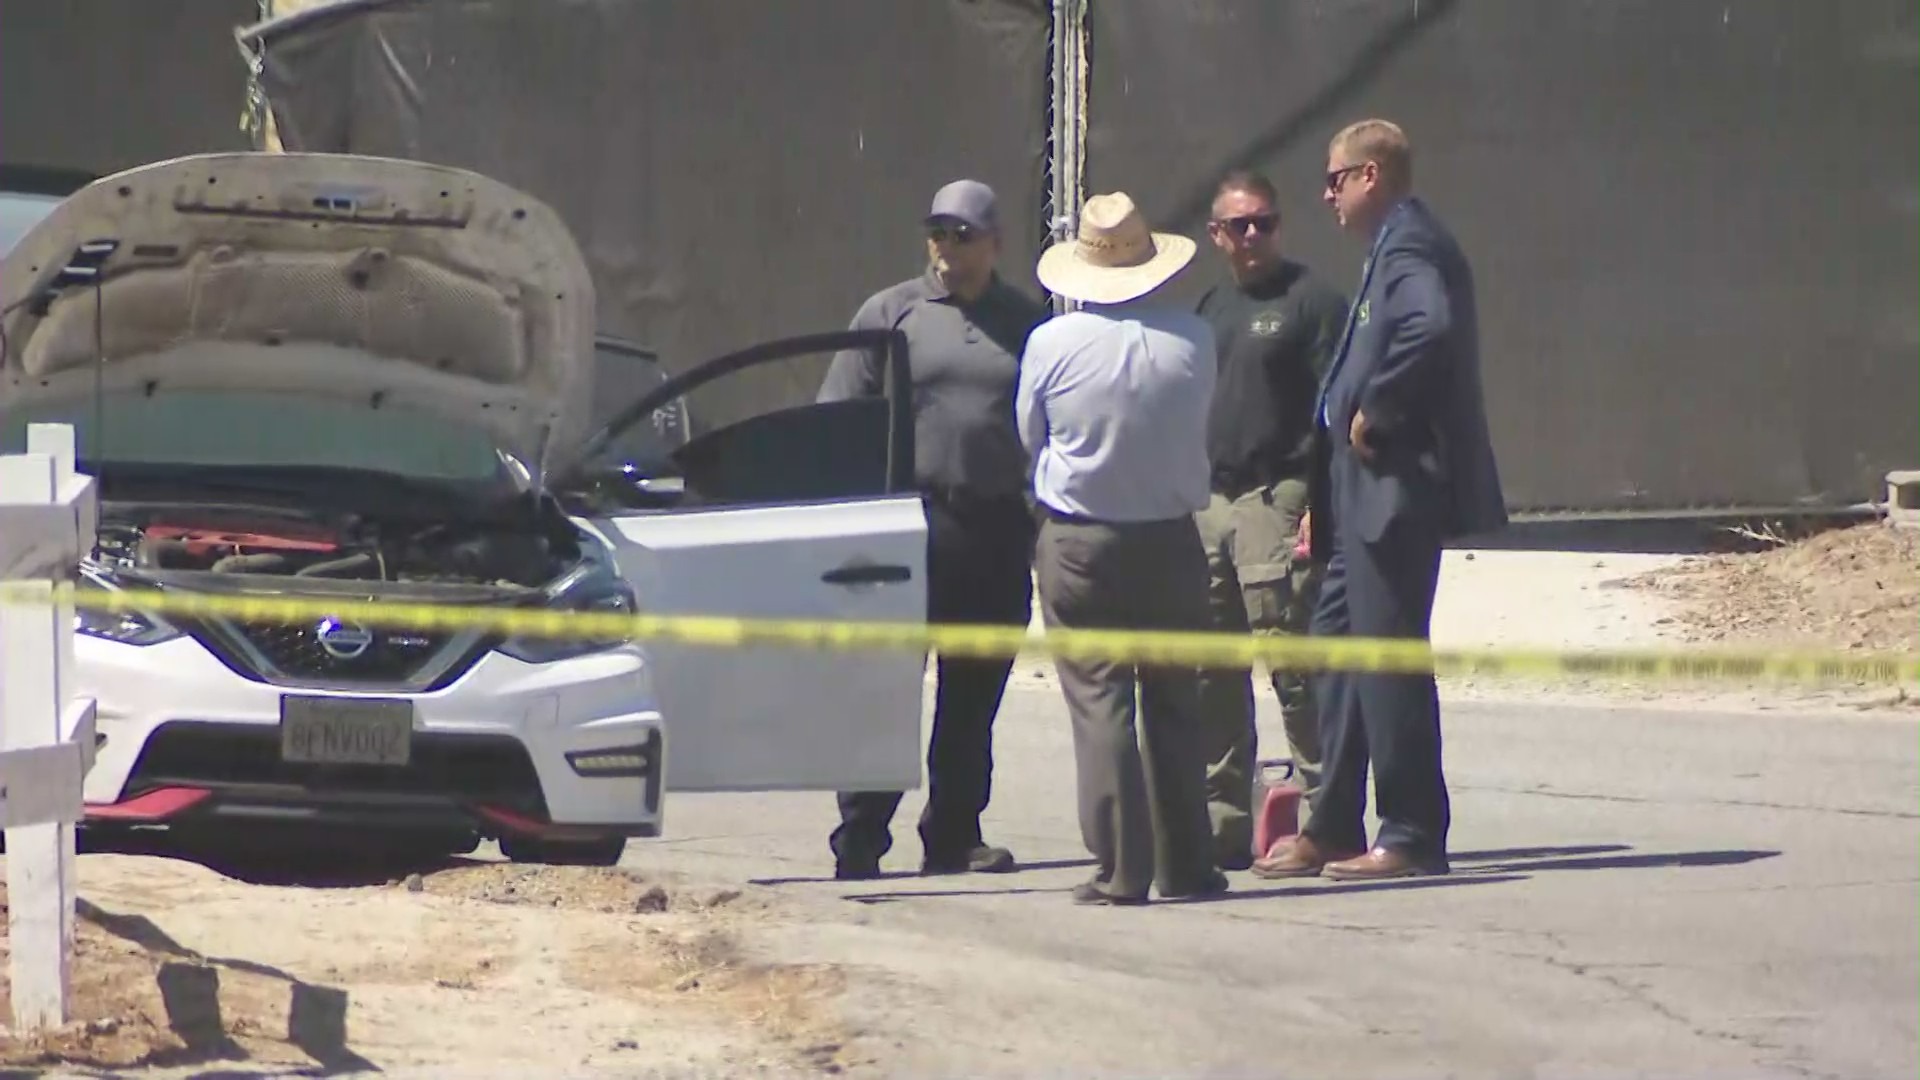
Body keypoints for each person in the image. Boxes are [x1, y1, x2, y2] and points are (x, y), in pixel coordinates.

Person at [1253, 120, 1507, 882]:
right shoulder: (1388, 248)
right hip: (1356, 496)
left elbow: (1429, 330)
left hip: (1394, 490)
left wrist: (1379, 410)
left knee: (1388, 661)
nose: (1325, 194)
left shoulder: (1411, 245)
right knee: (1336, 650)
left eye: (1335, 179)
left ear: (1371, 176)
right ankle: (1330, 825)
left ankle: (1411, 834)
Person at [818, 179, 1051, 881]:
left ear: (995, 244)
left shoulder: (1027, 321)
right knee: (883, 687)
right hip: (907, 525)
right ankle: (860, 834)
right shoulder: (892, 312)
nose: (948, 247)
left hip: (995, 526)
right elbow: (838, 415)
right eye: (938, 233)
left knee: (973, 693)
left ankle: (954, 832)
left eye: (963, 235)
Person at [1017, 191, 1228, 905]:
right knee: (1175, 702)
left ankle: (1120, 867)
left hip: (1080, 537)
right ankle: (1187, 863)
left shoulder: (1051, 343)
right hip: (1170, 537)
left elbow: (1030, 437)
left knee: (1100, 701)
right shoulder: (1193, 338)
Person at [1192, 168, 1349, 869]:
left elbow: (1338, 412)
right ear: (1216, 234)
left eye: (1266, 222)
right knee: (1213, 672)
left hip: (1276, 498)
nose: (1254, 235)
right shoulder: (1211, 307)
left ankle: (1327, 819)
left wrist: (1320, 504)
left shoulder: (1310, 302)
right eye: (1240, 225)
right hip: (1211, 502)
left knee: (1293, 667)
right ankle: (1223, 823)